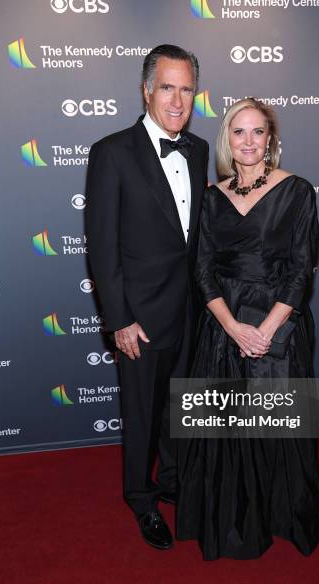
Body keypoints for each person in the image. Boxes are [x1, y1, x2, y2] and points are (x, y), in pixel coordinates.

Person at [177, 98, 319, 560]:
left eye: (257, 132)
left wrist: (262, 331)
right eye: (238, 132)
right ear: (228, 139)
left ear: (271, 139)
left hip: (277, 325)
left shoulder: (297, 191)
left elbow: (302, 271)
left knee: (276, 428)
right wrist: (233, 328)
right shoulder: (211, 197)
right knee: (227, 430)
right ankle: (233, 518)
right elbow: (202, 270)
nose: (248, 142)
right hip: (222, 326)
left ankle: (282, 513)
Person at [85, 45, 209, 550]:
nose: (177, 100)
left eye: (186, 89)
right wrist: (119, 320)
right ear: (146, 90)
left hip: (192, 313)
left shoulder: (199, 150)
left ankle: (176, 482)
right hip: (139, 317)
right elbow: (102, 244)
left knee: (179, 410)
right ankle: (140, 497)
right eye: (167, 87)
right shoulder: (111, 152)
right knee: (140, 414)